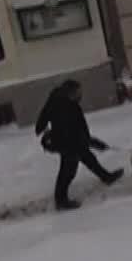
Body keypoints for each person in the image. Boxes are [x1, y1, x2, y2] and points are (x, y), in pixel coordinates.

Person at [35, 78, 121, 210]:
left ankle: (106, 177)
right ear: (70, 92)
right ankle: (61, 201)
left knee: (88, 158)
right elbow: (73, 130)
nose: (80, 94)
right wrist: (91, 142)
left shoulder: (59, 100)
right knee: (68, 171)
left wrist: (42, 127)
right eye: (78, 92)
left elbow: (44, 117)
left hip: (72, 140)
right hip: (66, 143)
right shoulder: (64, 105)